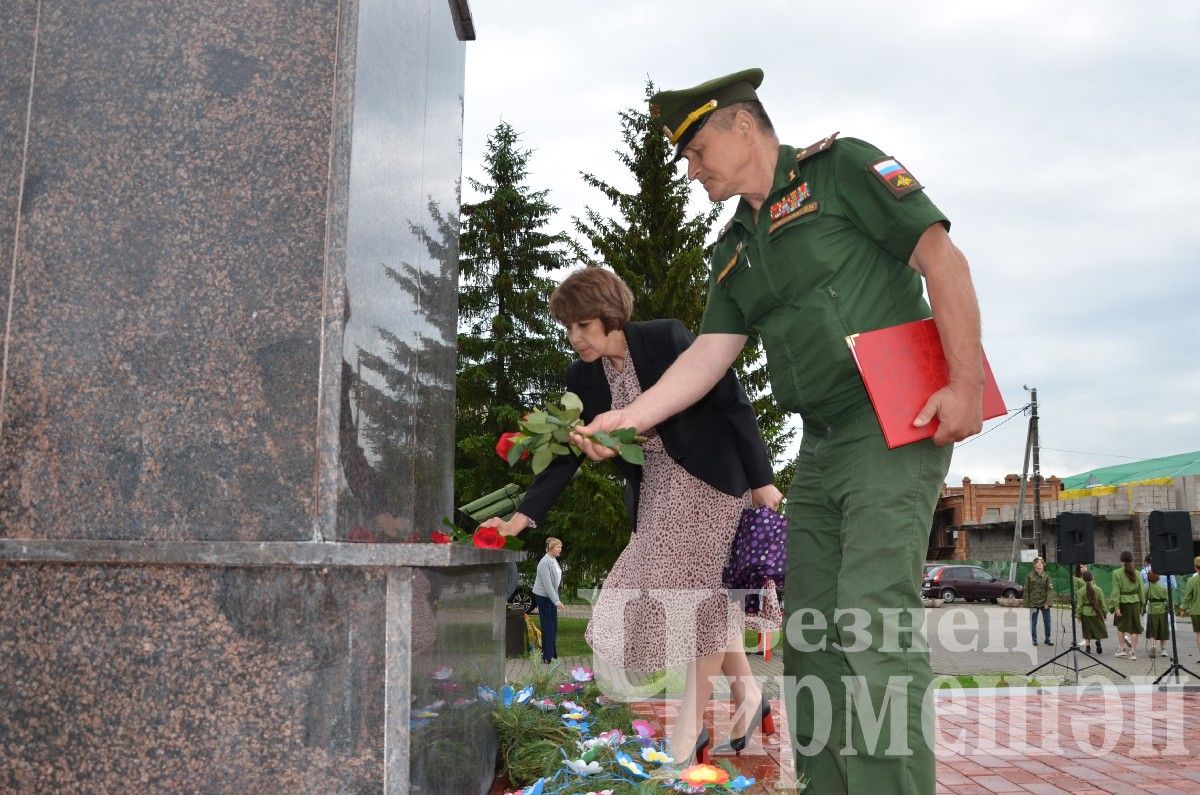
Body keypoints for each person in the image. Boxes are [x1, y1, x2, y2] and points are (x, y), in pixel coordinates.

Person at [572, 68, 984, 794]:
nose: (693, 169)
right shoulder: (732, 248)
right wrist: (627, 417)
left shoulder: (843, 168)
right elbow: (708, 354)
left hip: (897, 412)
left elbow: (941, 258)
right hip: (822, 444)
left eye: (698, 150)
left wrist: (965, 382)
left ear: (741, 125)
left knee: (869, 622)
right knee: (812, 634)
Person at [484, 268, 783, 764]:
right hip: (657, 496)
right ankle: (749, 695)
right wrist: (521, 519)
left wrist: (762, 479)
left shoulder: (666, 339)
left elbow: (733, 402)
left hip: (712, 481)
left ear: (609, 315)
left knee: (699, 594)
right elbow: (565, 455)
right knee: (698, 593)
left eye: (583, 325)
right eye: (569, 328)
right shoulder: (582, 377)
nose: (575, 337)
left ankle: (689, 726)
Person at [532, 536, 565, 664]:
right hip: (543, 597)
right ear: (551, 548)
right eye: (558, 547)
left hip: (550, 596)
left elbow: (555, 582)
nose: (560, 549)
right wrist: (557, 601)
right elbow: (547, 585)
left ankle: (552, 653)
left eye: (560, 547)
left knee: (553, 625)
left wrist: (555, 599)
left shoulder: (553, 560)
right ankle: (547, 656)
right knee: (548, 626)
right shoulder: (544, 562)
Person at [1109, 550, 1146, 660]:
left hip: (1122, 603)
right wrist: (1142, 605)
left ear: (1121, 560)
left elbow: (1116, 592)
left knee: (1121, 627)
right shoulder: (1138, 573)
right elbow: (1141, 590)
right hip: (1135, 603)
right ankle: (1133, 653)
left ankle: (1121, 649)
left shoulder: (1116, 573)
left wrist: (1116, 607)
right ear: (1132, 560)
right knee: (1135, 628)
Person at [1024, 557, 1055, 646]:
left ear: (1043, 565)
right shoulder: (1029, 576)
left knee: (1047, 622)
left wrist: (1048, 603)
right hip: (1033, 603)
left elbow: (1050, 590)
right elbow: (1026, 590)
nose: (1040, 564)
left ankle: (1047, 639)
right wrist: (1026, 604)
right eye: (1038, 562)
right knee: (1033, 622)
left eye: (1041, 563)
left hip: (1044, 603)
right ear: (1034, 565)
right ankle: (1034, 639)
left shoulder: (1047, 576)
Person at [1075, 570, 1107, 654]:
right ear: (1092, 578)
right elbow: (1102, 602)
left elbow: (1079, 604)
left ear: (1083, 579)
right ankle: (1098, 641)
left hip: (1085, 613)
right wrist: (1104, 612)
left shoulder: (1081, 591)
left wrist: (1078, 615)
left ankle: (1088, 647)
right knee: (1098, 629)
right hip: (1096, 612)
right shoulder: (1099, 589)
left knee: (1086, 631)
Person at [1144, 571, 1170, 658]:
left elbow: (1144, 600)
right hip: (1162, 611)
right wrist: (1168, 609)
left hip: (1152, 611)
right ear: (1158, 577)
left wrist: (1143, 609)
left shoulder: (1147, 588)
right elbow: (1167, 601)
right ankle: (1163, 649)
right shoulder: (1163, 588)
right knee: (1163, 629)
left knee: (1152, 629)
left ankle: (1153, 645)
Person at [1179, 557, 1200, 659]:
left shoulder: (1191, 581)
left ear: (1196, 568)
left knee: (1199, 634)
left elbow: (1187, 597)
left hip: (1196, 610)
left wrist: (1183, 608)